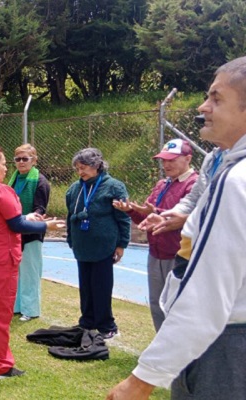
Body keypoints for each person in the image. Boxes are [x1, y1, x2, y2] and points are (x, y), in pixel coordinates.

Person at [107, 56, 246, 400]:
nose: (204, 107)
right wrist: (175, 215)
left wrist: (142, 380)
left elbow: (208, 295)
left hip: (225, 344)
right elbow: (195, 202)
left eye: (216, 98)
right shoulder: (221, 161)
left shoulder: (237, 179)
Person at [0, 145, 63, 379]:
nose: (8, 167)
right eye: (4, 163)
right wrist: (47, 225)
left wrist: (26, 217)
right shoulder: (1, 191)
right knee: (0, 313)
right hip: (0, 259)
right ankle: (0, 365)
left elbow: (4, 219)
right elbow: (16, 225)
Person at [112, 139, 197, 331]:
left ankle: (180, 351)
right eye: (164, 160)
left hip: (179, 255)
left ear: (188, 159)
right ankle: (162, 345)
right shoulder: (162, 184)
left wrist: (155, 212)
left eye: (172, 160)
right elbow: (147, 218)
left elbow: (186, 218)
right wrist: (131, 210)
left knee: (178, 305)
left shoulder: (194, 185)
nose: (166, 164)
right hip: (156, 253)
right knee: (157, 303)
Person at [65, 148, 130, 340]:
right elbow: (70, 217)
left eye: (83, 167)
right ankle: (87, 321)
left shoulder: (114, 187)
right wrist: (71, 239)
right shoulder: (74, 189)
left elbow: (123, 218)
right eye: (77, 168)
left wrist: (121, 244)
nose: (80, 172)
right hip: (81, 247)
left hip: (104, 247)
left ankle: (106, 325)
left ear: (97, 166)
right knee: (85, 286)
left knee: (101, 286)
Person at [7, 144, 51, 321]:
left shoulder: (40, 181)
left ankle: (30, 310)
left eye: (25, 159)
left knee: (30, 272)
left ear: (34, 160)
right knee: (16, 271)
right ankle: (17, 306)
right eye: (17, 159)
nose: (21, 162)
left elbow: (40, 209)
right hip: (14, 232)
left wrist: (26, 219)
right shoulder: (13, 179)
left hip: (32, 233)